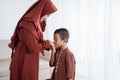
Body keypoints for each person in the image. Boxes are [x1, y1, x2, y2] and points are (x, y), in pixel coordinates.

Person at [8, 0, 57, 80]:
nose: (46, 18)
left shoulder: (34, 25)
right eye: (47, 15)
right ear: (42, 10)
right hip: (23, 58)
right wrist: (47, 43)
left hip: (30, 58)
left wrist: (49, 45)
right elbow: (33, 47)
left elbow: (36, 41)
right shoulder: (27, 24)